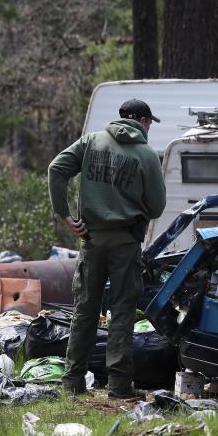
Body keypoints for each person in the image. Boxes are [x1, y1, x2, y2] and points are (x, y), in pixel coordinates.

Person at [48, 99, 166, 399]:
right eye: (149, 121)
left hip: (91, 239)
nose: (149, 126)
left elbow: (56, 169)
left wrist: (65, 215)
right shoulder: (147, 155)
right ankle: (119, 386)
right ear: (141, 120)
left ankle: (73, 381)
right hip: (126, 243)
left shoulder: (91, 142)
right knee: (122, 311)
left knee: (84, 310)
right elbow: (157, 207)